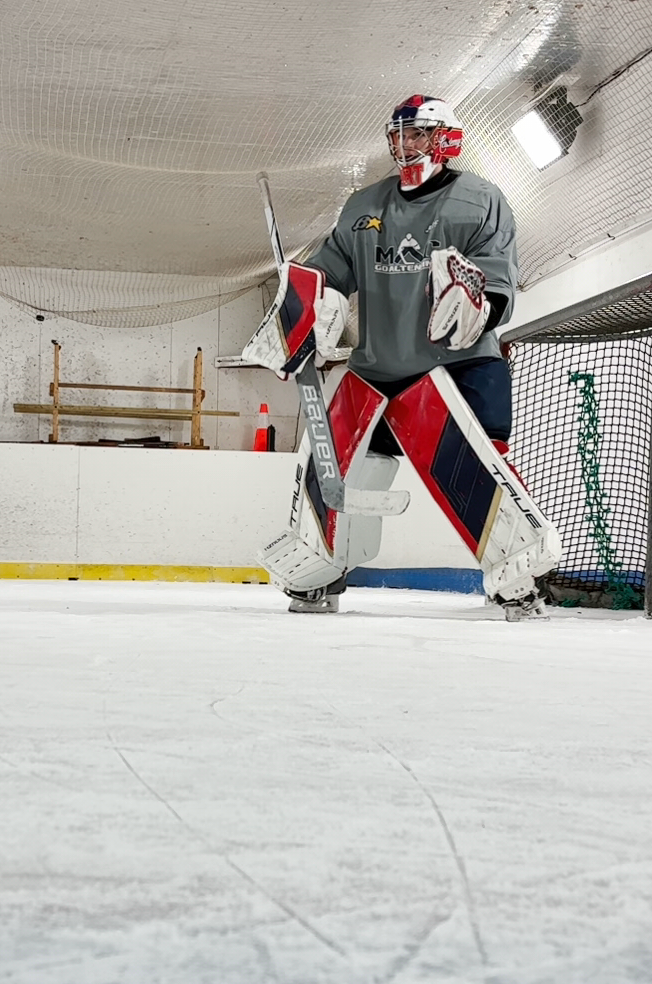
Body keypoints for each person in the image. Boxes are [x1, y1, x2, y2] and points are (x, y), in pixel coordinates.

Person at [239, 95, 561, 617]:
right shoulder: (363, 206)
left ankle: (515, 571)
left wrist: (480, 301)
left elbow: (497, 274)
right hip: (375, 370)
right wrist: (308, 308)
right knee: (333, 471)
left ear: (446, 139)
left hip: (457, 365)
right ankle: (322, 562)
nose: (406, 145)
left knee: (479, 470)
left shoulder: (480, 200)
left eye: (418, 134)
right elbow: (330, 272)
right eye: (399, 135)